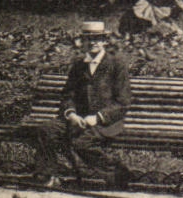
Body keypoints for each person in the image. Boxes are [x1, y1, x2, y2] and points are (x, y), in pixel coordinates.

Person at [32, 21, 133, 187]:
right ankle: (48, 176)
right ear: (83, 42)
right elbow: (68, 95)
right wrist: (71, 114)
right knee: (47, 129)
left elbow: (123, 102)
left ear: (105, 41)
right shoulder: (79, 65)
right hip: (79, 120)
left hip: (106, 122)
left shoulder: (116, 64)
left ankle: (118, 174)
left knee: (81, 142)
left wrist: (99, 117)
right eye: (89, 39)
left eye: (98, 38)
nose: (93, 42)